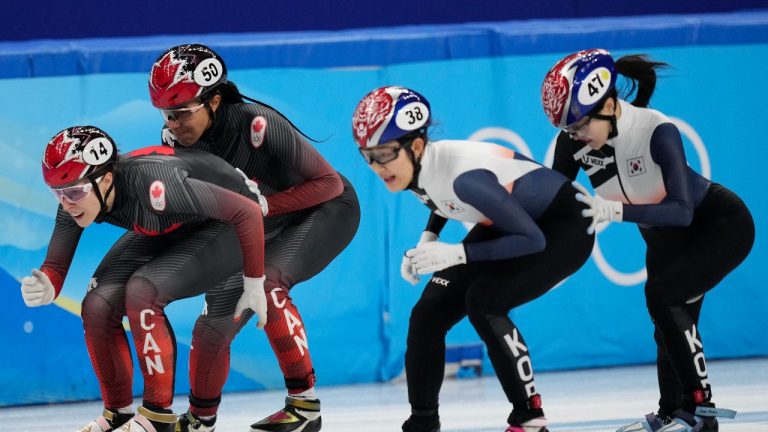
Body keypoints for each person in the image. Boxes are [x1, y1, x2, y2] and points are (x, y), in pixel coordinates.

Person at [352, 85, 596, 432]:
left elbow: (531, 239)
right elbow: (436, 196)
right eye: (368, 156)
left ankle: (529, 417)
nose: (378, 167)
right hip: (511, 220)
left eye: (385, 154)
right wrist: (429, 239)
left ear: (416, 145)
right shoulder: (419, 165)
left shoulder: (466, 179)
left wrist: (456, 252)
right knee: (427, 314)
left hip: (564, 228)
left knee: (485, 301)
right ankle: (423, 422)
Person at [148, 44, 360, 432]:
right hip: (264, 219)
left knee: (269, 285)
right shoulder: (176, 139)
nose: (173, 124)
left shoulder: (257, 123)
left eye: (181, 113)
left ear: (212, 101)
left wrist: (261, 207)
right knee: (214, 322)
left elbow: (328, 184)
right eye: (165, 114)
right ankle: (199, 420)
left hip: (327, 209)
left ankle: (304, 406)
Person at [541, 49, 755, 432]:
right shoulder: (572, 142)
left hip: (718, 226)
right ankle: (673, 411)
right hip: (664, 241)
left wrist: (617, 212)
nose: (575, 136)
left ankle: (702, 413)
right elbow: (548, 202)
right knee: (666, 321)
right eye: (568, 129)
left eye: (580, 126)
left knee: (663, 297)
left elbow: (682, 211)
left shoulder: (656, 129)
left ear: (608, 104)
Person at [20, 126, 270, 432]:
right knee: (97, 305)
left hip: (229, 222)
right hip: (174, 222)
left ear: (107, 179)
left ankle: (156, 417)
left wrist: (254, 281)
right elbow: (56, 264)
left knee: (143, 291)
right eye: (57, 193)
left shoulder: (155, 185)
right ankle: (119, 413)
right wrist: (49, 281)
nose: (66, 203)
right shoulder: (79, 195)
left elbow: (247, 211)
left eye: (73, 193)